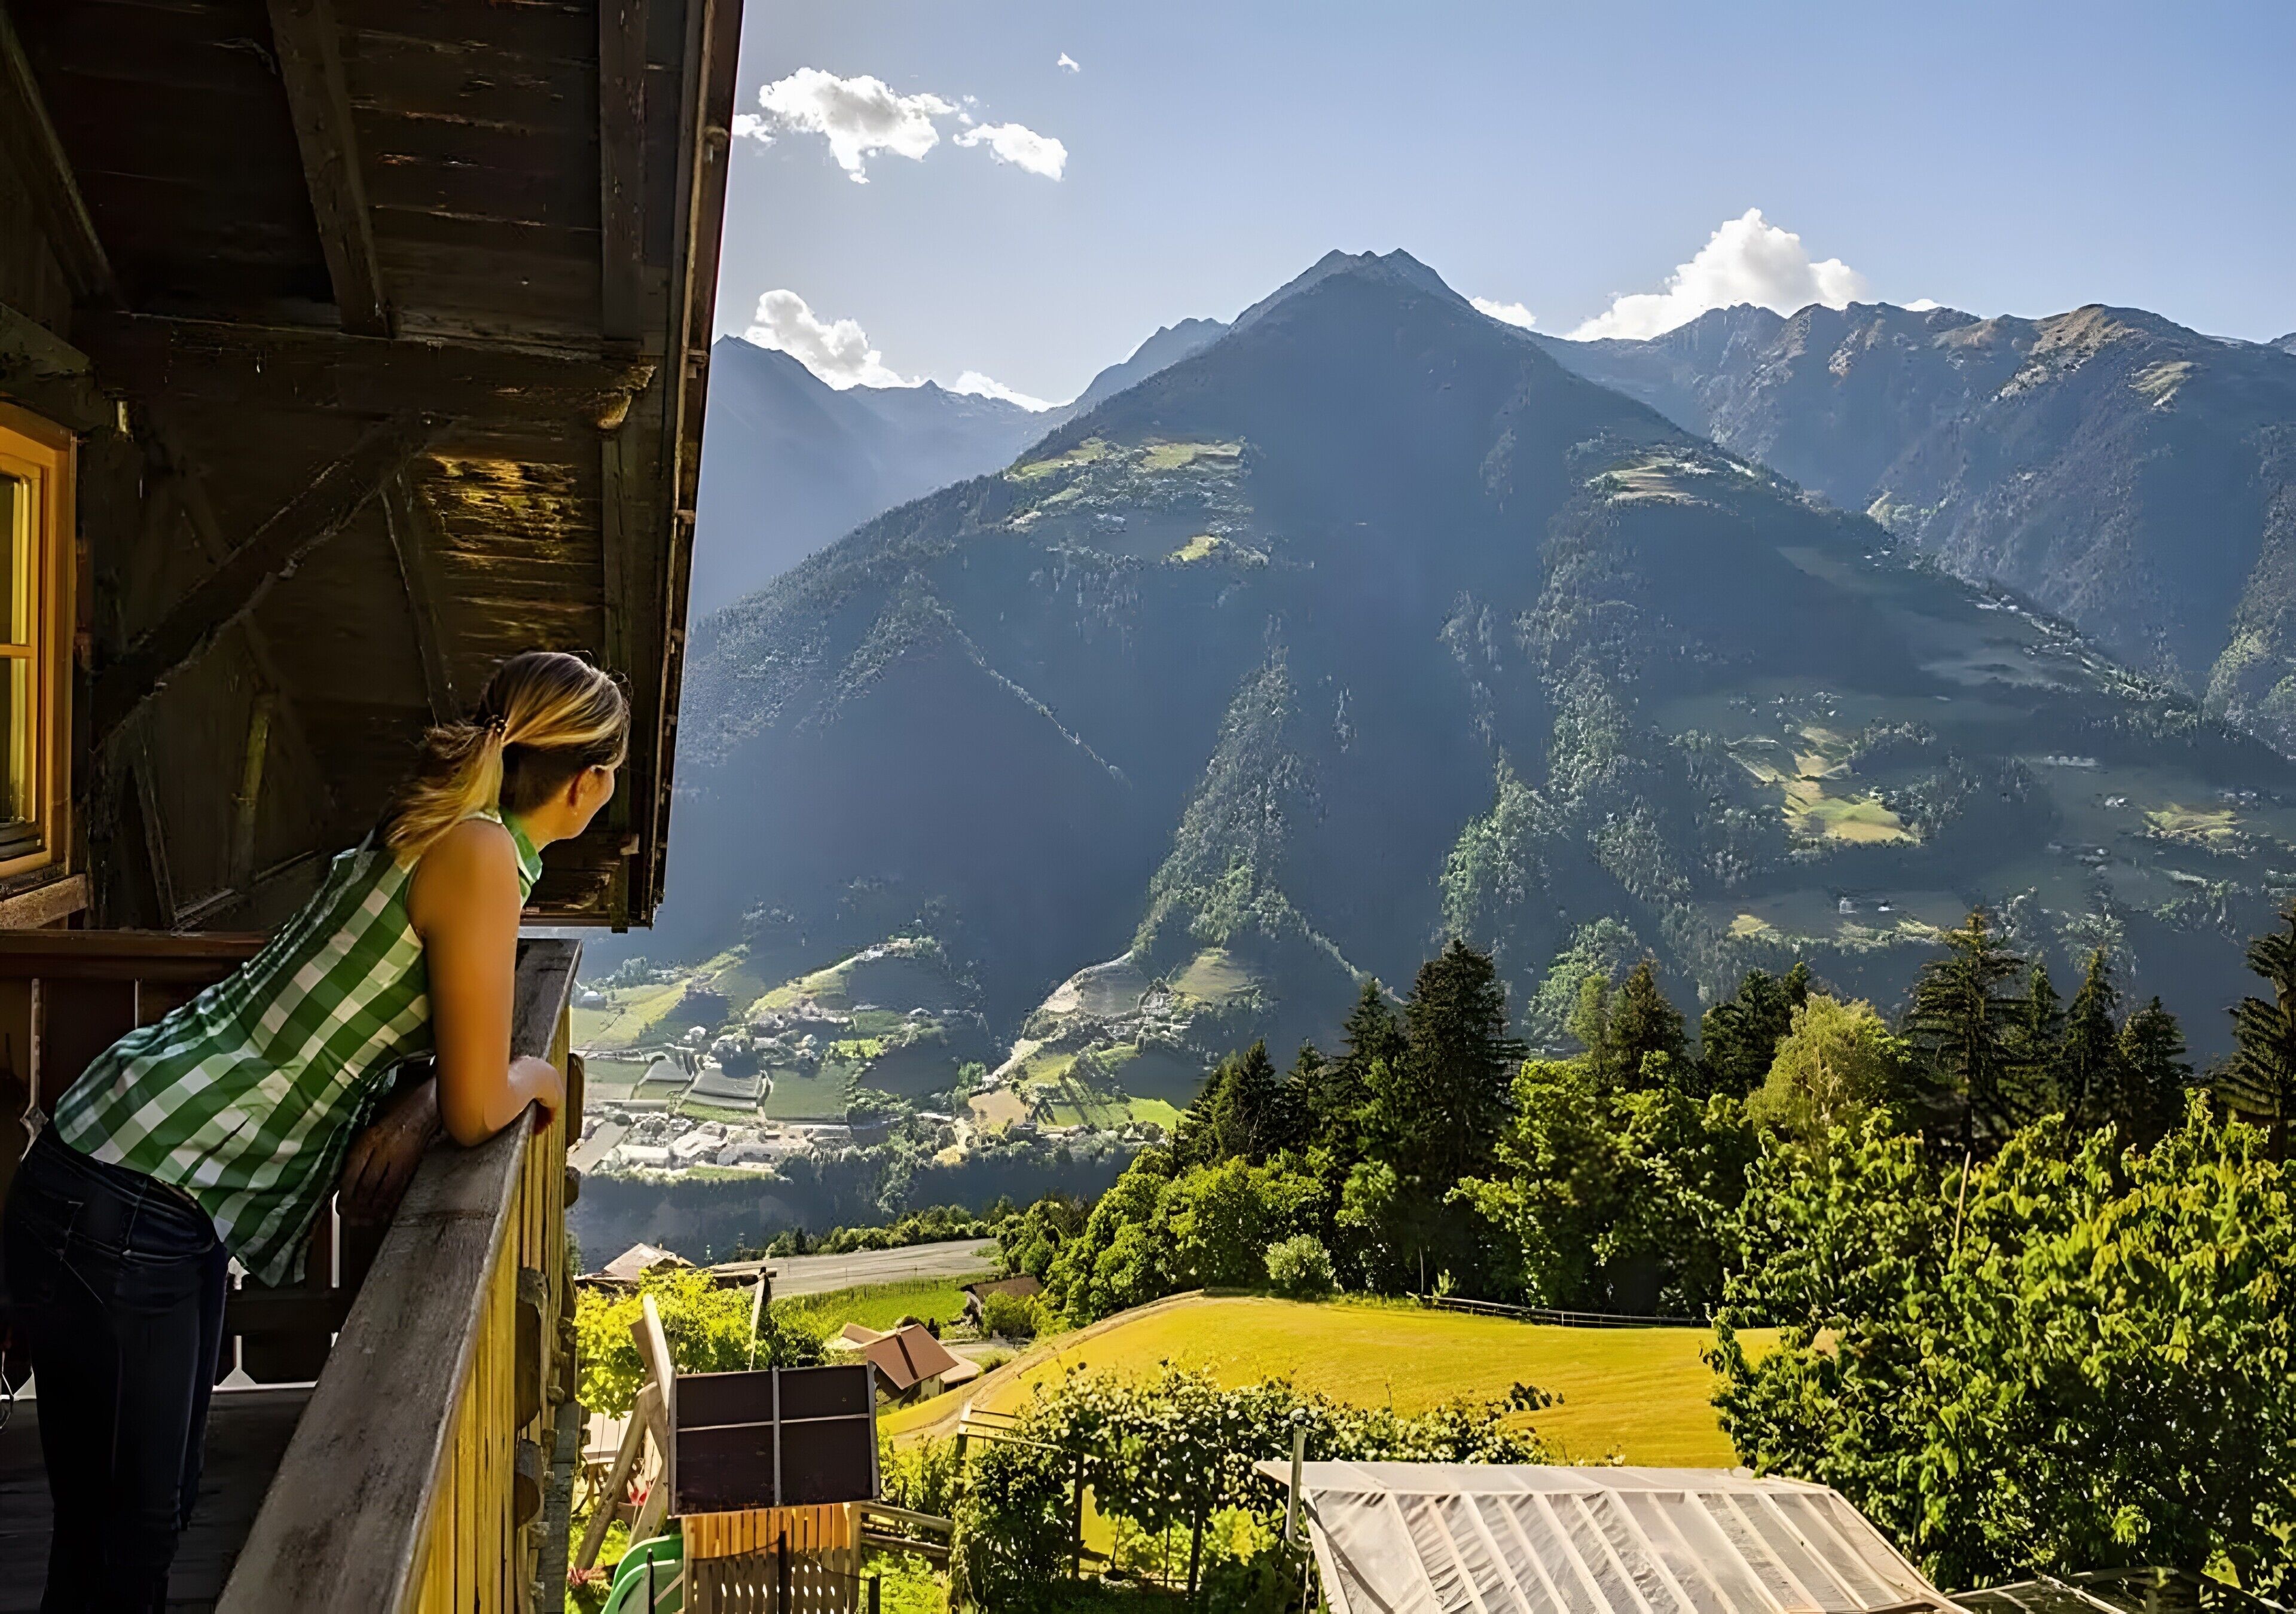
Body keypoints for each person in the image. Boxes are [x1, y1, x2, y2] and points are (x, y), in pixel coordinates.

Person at [0, 649, 626, 1612]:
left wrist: (419, 1095)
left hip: (113, 1154)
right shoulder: (484, 857)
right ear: (588, 782)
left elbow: (413, 1029)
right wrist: (536, 1075)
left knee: (112, 1518)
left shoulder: (438, 819)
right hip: (139, 1199)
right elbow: (477, 1103)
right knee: (132, 1532)